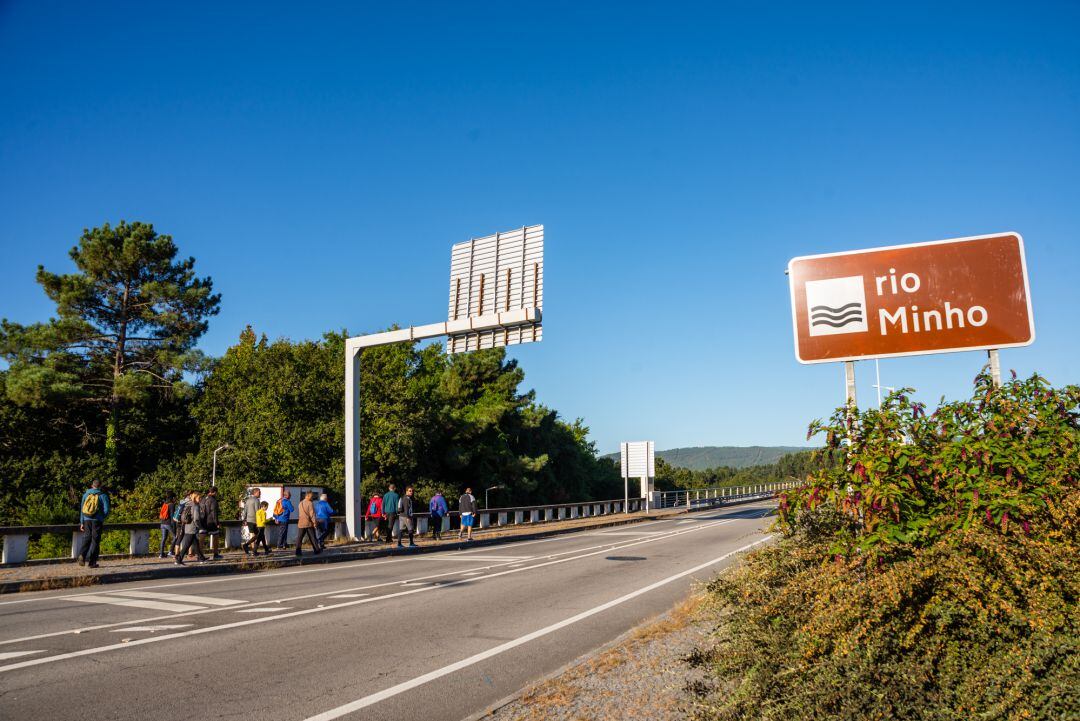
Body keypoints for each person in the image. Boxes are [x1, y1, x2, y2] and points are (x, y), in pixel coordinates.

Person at [77, 480, 111, 568]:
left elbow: (82, 509)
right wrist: (101, 517)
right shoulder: (103, 495)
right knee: (95, 541)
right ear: (100, 486)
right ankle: (92, 563)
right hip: (97, 520)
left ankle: (82, 555)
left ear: (92, 486)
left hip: (86, 519)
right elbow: (106, 510)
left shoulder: (86, 495)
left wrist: (81, 522)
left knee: (87, 537)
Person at [176, 491, 208, 564]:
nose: (200, 499)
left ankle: (201, 558)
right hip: (192, 528)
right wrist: (200, 527)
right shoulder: (195, 506)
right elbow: (196, 519)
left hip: (187, 526)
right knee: (186, 545)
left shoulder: (188, 504)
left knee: (196, 544)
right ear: (195, 497)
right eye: (199, 498)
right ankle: (179, 560)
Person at [295, 491, 322, 556]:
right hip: (308, 523)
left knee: (299, 538)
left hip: (301, 523)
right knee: (312, 537)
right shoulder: (310, 503)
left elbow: (300, 513)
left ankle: (298, 552)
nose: (312, 497)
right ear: (308, 496)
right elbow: (312, 514)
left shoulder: (300, 503)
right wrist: (314, 522)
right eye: (311, 496)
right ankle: (316, 550)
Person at [200, 486, 222, 560]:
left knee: (202, 538)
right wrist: (217, 523)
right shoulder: (213, 500)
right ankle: (215, 554)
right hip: (211, 521)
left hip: (203, 521)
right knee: (216, 536)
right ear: (214, 492)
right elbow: (214, 513)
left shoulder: (203, 499)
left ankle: (200, 555)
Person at [241, 488, 263, 556]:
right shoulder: (256, 500)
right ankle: (248, 546)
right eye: (259, 492)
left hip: (249, 520)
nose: (260, 494)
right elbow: (257, 512)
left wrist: (244, 519)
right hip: (255, 520)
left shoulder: (248, 500)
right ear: (255, 493)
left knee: (255, 535)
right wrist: (258, 521)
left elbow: (245, 510)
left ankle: (254, 549)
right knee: (259, 535)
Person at [158, 494, 176, 558]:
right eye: (174, 497)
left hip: (162, 523)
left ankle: (161, 554)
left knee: (163, 538)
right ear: (172, 498)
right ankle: (170, 551)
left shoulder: (165, 504)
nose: (175, 499)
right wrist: (174, 526)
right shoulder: (172, 505)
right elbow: (172, 516)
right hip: (168, 524)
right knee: (175, 537)